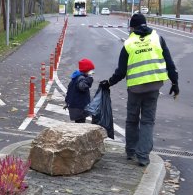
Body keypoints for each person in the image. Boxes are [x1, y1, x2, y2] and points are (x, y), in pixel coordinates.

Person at [100, 13, 179, 166]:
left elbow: (121, 72)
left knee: (132, 120)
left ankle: (131, 151)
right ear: (145, 24)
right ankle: (143, 156)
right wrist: (175, 83)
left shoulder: (129, 43)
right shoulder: (158, 38)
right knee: (148, 122)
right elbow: (170, 63)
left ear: (132, 27)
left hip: (135, 89)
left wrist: (109, 83)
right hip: (154, 87)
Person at [64, 58, 95, 123]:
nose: (92, 72)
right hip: (78, 107)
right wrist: (90, 78)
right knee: (80, 124)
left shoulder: (76, 78)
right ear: (87, 70)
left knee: (78, 123)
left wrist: (67, 102)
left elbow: (70, 91)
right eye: (90, 70)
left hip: (75, 106)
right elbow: (83, 87)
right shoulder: (81, 79)